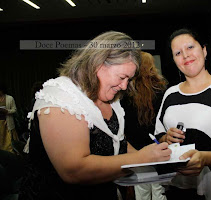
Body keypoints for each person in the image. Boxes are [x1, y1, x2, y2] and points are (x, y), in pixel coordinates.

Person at [19, 31, 171, 200]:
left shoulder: (109, 97)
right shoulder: (61, 99)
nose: (124, 86)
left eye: (128, 80)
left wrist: (155, 160)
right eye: (122, 77)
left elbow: (116, 140)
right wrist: (140, 158)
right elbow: (74, 171)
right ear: (98, 64)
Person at [154, 28, 211, 200]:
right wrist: (165, 138)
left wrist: (204, 158)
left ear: (204, 50)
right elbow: (159, 135)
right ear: (174, 60)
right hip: (174, 185)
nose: (185, 55)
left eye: (190, 47)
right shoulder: (170, 94)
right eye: (178, 53)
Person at [121, 51, 168, 200]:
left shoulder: (125, 92)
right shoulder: (162, 90)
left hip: (136, 149)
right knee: (159, 189)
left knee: (142, 189)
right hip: (158, 145)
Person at [0, 83, 19, 153]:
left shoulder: (9, 98)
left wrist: (7, 111)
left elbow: (14, 109)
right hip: (0, 123)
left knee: (9, 139)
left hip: (7, 121)